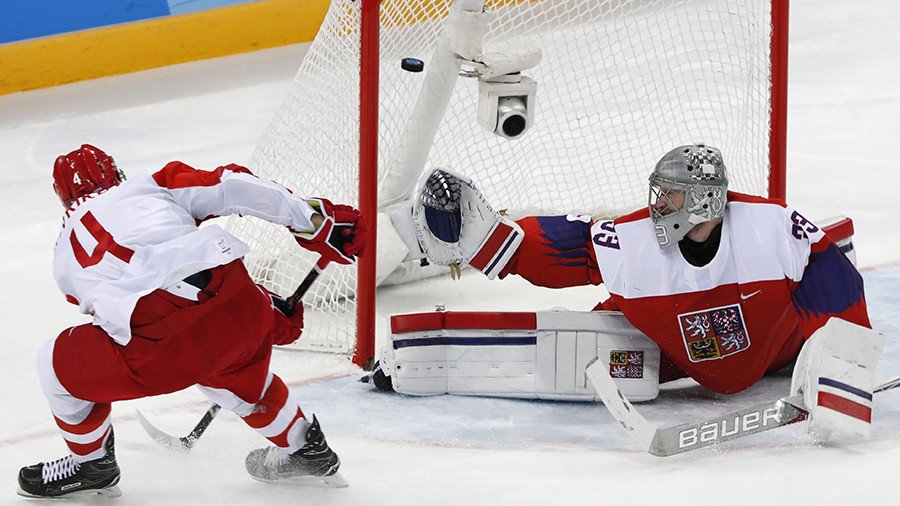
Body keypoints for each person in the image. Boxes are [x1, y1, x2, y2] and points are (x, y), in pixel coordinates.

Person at [18, 144, 366, 498]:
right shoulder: (149, 184)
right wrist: (314, 224)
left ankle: (91, 464)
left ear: (62, 198)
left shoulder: (64, 254)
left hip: (168, 349)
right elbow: (232, 184)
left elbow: (124, 316)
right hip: (240, 302)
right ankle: (304, 448)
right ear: (116, 173)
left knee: (54, 366)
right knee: (232, 367)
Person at [404, 144, 873, 400]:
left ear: (706, 199)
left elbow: (833, 275)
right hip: (669, 347)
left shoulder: (769, 225)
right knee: (585, 348)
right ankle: (418, 362)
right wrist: (499, 244)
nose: (659, 203)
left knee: (815, 297)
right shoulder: (635, 238)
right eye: (659, 191)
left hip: (778, 348)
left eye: (671, 193)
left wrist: (842, 370)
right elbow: (576, 248)